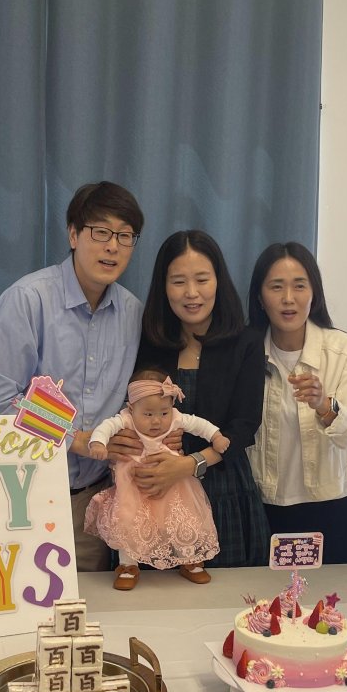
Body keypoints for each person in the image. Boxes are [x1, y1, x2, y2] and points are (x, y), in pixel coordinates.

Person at [0, 181, 144, 572]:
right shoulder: (28, 299)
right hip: (24, 494)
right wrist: (75, 438)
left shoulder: (134, 313)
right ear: (73, 234)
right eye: (100, 232)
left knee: (94, 607)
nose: (112, 246)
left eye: (125, 236)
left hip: (94, 502)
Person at [115, 230, 270, 572]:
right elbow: (128, 410)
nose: (191, 293)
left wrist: (189, 465)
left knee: (228, 596)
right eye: (178, 281)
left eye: (202, 279)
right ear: (163, 286)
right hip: (154, 494)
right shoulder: (148, 343)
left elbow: (244, 426)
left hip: (225, 490)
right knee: (156, 597)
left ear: (219, 281)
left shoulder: (245, 342)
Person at [247, 242, 347, 564]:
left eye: (299, 286)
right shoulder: (245, 353)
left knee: (344, 596)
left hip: (337, 506)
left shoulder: (343, 350)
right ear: (260, 297)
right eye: (276, 287)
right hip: (266, 509)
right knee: (268, 597)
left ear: (314, 293)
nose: (288, 298)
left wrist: (324, 404)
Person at [84, 370, 228, 590]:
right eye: (148, 414)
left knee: (184, 520)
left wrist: (216, 436)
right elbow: (106, 427)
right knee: (129, 523)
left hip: (175, 484)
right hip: (134, 487)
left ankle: (191, 560)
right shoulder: (126, 419)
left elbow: (199, 424)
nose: (157, 421)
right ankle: (127, 566)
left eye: (164, 412)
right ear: (132, 408)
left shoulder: (176, 418)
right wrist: (98, 443)